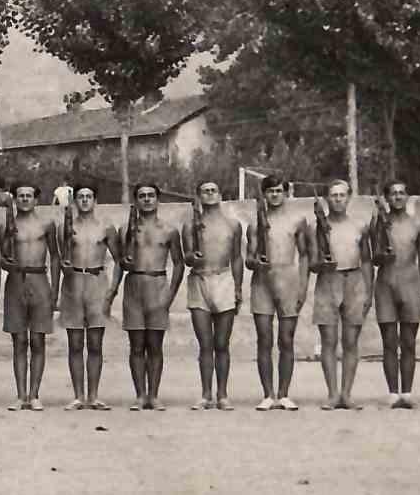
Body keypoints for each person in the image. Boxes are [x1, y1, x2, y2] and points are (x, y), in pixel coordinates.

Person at [116, 182, 185, 411]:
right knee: (136, 344)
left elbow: (178, 263)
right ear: (135, 200)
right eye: (142, 196)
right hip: (134, 284)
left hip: (158, 284)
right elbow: (120, 261)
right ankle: (139, 395)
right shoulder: (127, 229)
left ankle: (154, 395)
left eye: (151, 195)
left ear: (158, 199)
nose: (147, 199)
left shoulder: (169, 230)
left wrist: (170, 295)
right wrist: (123, 265)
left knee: (155, 345)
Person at [57, 182, 124, 412]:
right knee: (75, 343)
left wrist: (112, 291)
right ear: (75, 201)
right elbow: (59, 258)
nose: (84, 200)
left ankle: (93, 396)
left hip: (97, 283)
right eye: (80, 196)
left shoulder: (105, 226)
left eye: (89, 196)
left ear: (95, 200)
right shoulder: (66, 226)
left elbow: (119, 260)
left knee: (95, 343)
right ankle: (78, 396)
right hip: (73, 284)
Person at [248, 175, 313, 412]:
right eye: (270, 191)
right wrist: (255, 262)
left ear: (285, 193)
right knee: (264, 339)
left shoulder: (297, 220)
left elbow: (305, 254)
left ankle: (284, 394)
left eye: (278, 190)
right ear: (264, 194)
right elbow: (249, 257)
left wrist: (303, 287)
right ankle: (268, 394)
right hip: (262, 282)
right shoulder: (256, 223)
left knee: (286, 339)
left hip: (289, 280)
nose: (274, 195)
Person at [310, 180, 375, 410]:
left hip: (354, 280)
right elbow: (311, 263)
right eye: (333, 195)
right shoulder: (317, 226)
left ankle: (346, 394)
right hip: (328, 282)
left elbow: (366, 260)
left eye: (342, 195)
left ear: (349, 198)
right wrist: (321, 264)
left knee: (350, 341)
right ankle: (332, 393)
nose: (338, 199)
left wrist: (369, 290)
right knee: (328, 341)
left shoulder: (360, 225)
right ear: (327, 198)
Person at [0, 182, 58, 411]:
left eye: (28, 195)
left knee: (38, 340)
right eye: (20, 195)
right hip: (16, 282)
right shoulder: (7, 227)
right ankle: (21, 395)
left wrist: (55, 291)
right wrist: (5, 262)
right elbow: (1, 258)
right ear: (14, 198)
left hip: (40, 279)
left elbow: (56, 257)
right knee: (19, 341)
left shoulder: (46, 224)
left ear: (35, 199)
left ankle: (35, 394)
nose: (23, 199)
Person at [371, 181, 420, 409]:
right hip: (386, 284)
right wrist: (382, 255)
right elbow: (373, 257)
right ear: (386, 198)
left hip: (411, 284)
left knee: (408, 342)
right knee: (389, 342)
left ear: (407, 196)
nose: (397, 197)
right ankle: (392, 392)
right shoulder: (378, 221)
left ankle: (407, 392)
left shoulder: (418, 224)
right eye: (393, 193)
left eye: (401, 193)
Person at [182, 179, 242, 410]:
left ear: (220, 194)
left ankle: (222, 394)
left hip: (224, 279)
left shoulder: (232, 224)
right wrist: (192, 259)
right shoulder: (190, 225)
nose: (209, 194)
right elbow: (187, 256)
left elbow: (236, 257)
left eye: (213, 190)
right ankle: (206, 394)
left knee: (221, 343)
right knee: (205, 343)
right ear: (198, 196)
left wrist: (237, 288)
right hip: (199, 280)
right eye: (205, 191)